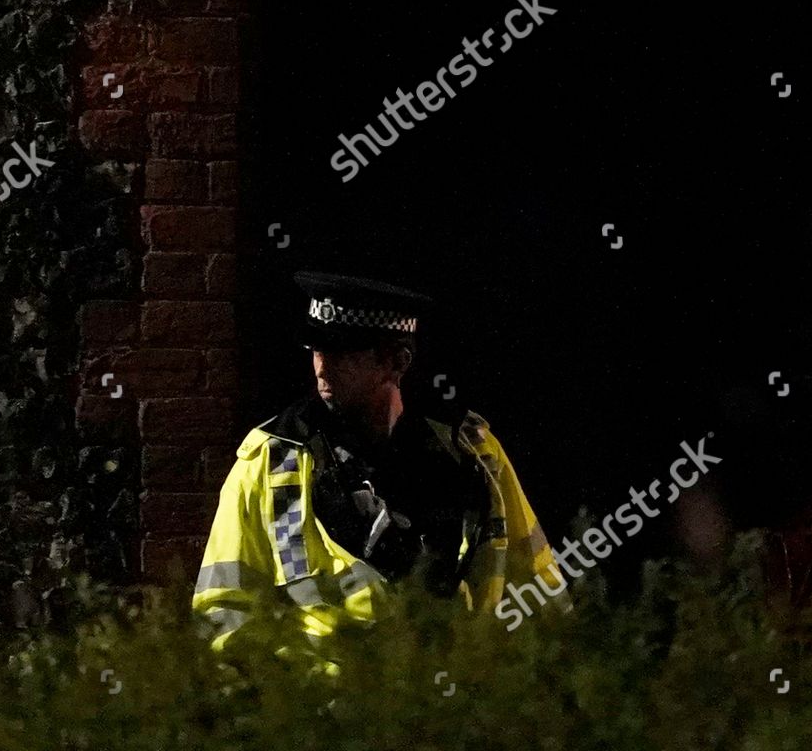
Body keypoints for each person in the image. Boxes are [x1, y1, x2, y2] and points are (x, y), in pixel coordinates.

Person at [191, 271, 566, 673]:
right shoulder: (272, 459)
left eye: (343, 353)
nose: (322, 367)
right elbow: (223, 610)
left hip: (453, 710)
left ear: (397, 361)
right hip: (330, 718)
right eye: (317, 349)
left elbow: (535, 583)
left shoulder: (470, 450)